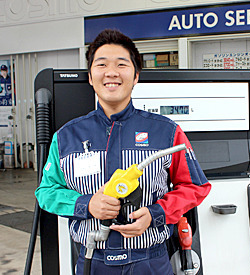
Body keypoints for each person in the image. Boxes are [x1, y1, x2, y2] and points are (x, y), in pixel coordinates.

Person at [35, 29, 211, 274]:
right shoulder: (66, 137)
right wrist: (85, 204)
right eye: (102, 64)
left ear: (136, 76)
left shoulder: (167, 132)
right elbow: (46, 192)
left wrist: (155, 214)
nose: (111, 72)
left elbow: (195, 187)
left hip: (150, 262)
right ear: (90, 77)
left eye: (121, 64)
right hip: (92, 260)